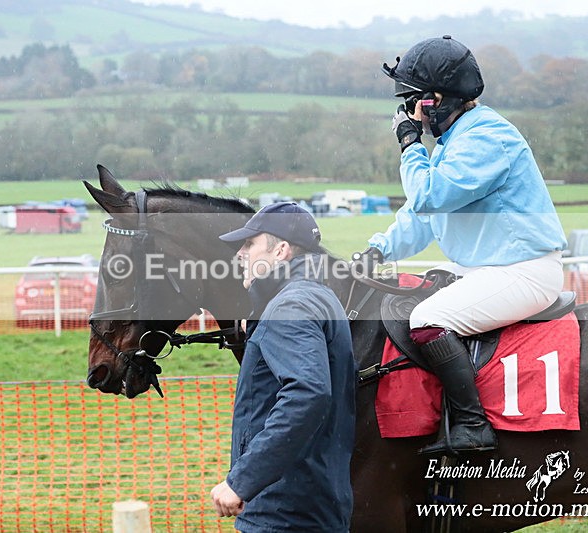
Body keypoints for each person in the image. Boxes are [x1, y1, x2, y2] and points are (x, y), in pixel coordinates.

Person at [360, 35, 567, 455]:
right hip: (487, 271)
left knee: (426, 320)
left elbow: (429, 195)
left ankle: (473, 426)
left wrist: (409, 145)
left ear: (437, 99)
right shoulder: (456, 141)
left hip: (523, 272)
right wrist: (378, 249)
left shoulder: (486, 137)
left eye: (411, 102)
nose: (407, 113)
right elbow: (424, 219)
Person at [211, 201, 357, 532]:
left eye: (250, 245)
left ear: (281, 251)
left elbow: (308, 394)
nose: (240, 255)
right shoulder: (316, 296)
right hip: (311, 502)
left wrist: (243, 480)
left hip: (284, 511)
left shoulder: (289, 305)